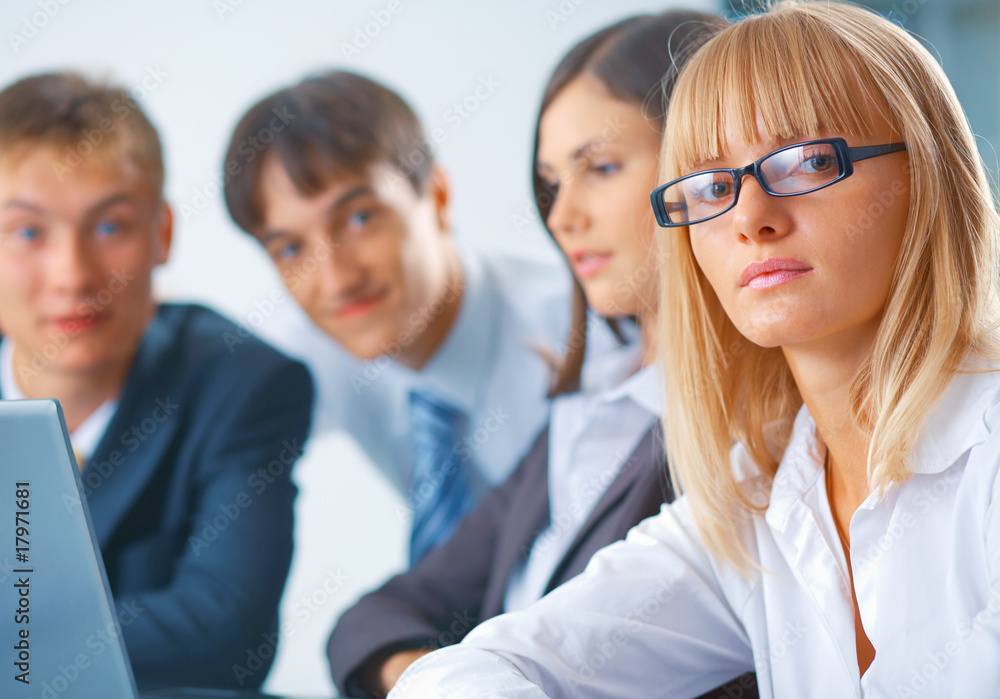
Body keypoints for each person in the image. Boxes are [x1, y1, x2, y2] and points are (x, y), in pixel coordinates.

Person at [388, 1, 1000, 696]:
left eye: (805, 161)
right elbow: (480, 669)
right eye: (711, 186)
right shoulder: (755, 495)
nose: (750, 217)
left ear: (927, 176)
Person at [327, 11, 755, 699]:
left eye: (603, 169)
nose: (561, 216)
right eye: (553, 182)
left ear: (706, 173)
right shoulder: (591, 404)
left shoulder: (748, 438)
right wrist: (442, 679)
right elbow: (374, 616)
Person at [0, 72, 313, 690]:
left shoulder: (243, 384)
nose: (72, 274)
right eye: (28, 232)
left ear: (163, 233)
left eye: (111, 226)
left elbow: (223, 630)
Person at [222, 72, 585, 564]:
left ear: (436, 196)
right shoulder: (305, 352)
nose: (336, 279)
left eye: (359, 218)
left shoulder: (586, 325)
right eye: (290, 248)